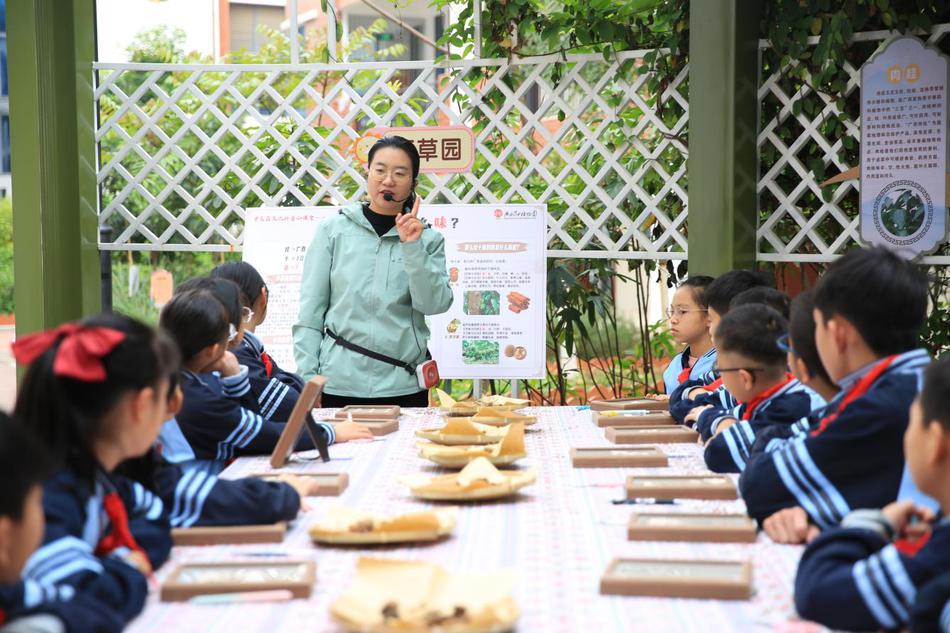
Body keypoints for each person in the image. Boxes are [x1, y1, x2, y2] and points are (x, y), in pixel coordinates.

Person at [739, 246, 930, 531]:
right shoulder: (913, 382)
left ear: (838, 333)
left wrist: (769, 439)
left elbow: (759, 486)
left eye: (816, 326)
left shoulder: (878, 406)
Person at [10, 315, 181, 631]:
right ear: (141, 405)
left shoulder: (96, 478)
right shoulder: (50, 493)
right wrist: (127, 567)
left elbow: (154, 513)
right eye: (163, 396)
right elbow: (89, 595)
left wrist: (110, 562)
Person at [293, 136, 453, 408]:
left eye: (399, 173)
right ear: (367, 173)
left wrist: (412, 247)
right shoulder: (333, 231)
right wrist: (308, 378)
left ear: (413, 183)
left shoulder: (427, 239)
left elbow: (434, 304)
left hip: (402, 384)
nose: (388, 180)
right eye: (379, 170)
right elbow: (311, 312)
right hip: (339, 382)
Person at [793, 356, 950, 632]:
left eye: (912, 423)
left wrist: (874, 523)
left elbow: (821, 591)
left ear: (936, 442)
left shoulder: (941, 550)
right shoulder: (936, 529)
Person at [159, 287, 335, 460]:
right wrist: (329, 432)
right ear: (213, 350)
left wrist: (233, 375)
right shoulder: (196, 398)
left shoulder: (179, 381)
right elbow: (259, 435)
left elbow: (247, 423)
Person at [210, 262, 370, 441]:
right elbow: (292, 405)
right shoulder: (236, 354)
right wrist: (328, 433)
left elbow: (292, 385)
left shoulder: (249, 351)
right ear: (263, 297)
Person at [698, 305, 814, 473]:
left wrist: (722, 426)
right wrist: (721, 423)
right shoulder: (769, 398)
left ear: (745, 378)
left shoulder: (791, 407)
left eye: (720, 369)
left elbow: (719, 452)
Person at [668, 269, 773, 423]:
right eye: (672, 311)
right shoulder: (721, 368)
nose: (673, 319)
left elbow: (687, 410)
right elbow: (680, 398)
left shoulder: (736, 372)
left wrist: (704, 409)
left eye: (711, 320)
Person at [660, 276, 715, 395]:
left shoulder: (725, 365)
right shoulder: (674, 366)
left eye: (682, 311)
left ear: (710, 315)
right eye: (672, 311)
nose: (673, 320)